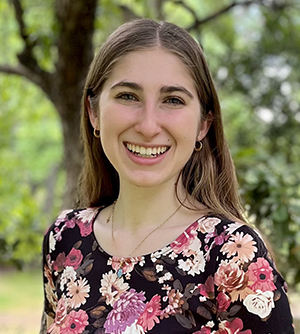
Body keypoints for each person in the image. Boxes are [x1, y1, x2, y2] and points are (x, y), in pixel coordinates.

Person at [42, 18, 295, 334]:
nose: (148, 126)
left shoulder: (233, 256)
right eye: (127, 96)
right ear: (94, 112)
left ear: (203, 124)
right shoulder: (65, 238)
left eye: (173, 100)